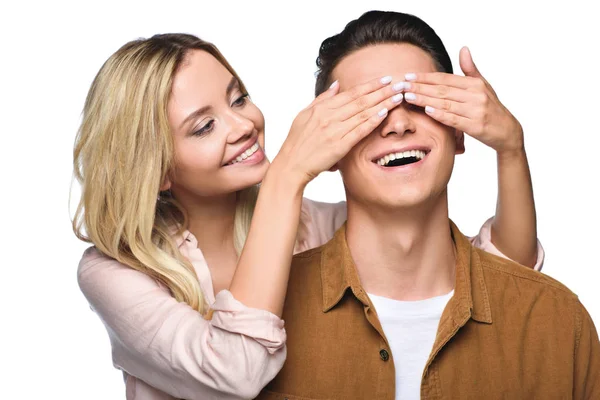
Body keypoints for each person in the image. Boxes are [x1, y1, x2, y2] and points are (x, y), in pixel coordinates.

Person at [73, 30, 543, 399]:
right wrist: (287, 176)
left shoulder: (315, 227)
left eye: (238, 99)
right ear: (156, 170)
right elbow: (236, 373)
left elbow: (500, 279)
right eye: (204, 126)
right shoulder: (115, 272)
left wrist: (510, 149)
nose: (244, 126)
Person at [255, 10, 599, 400]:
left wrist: (511, 146)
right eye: (367, 110)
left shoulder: (556, 320)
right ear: (328, 149)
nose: (397, 124)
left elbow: (512, 259)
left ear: (459, 131)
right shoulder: (261, 325)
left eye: (417, 101)